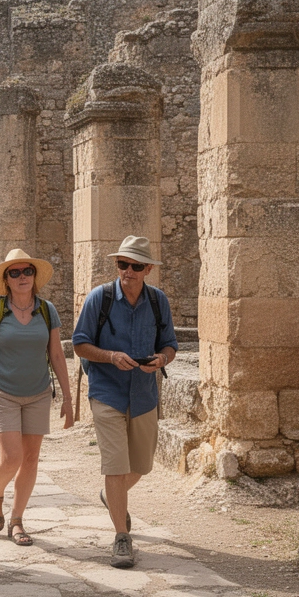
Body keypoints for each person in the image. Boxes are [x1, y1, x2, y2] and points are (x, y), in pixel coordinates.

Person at [71, 235, 177, 569]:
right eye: (122, 264)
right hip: (107, 392)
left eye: (134, 266)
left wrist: (161, 360)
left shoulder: (158, 302)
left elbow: (171, 345)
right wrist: (111, 356)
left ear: (147, 269)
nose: (127, 271)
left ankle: (111, 495)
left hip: (144, 394)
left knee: (141, 466)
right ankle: (121, 537)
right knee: (115, 466)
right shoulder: (98, 299)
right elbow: (79, 343)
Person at [0, 249, 74, 547]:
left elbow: (56, 354)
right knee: (11, 457)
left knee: (30, 459)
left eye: (27, 271)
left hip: (39, 392)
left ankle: (16, 520)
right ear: (7, 279)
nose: (22, 277)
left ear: (34, 276)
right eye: (14, 273)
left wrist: (67, 397)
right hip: (2, 392)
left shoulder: (46, 309)